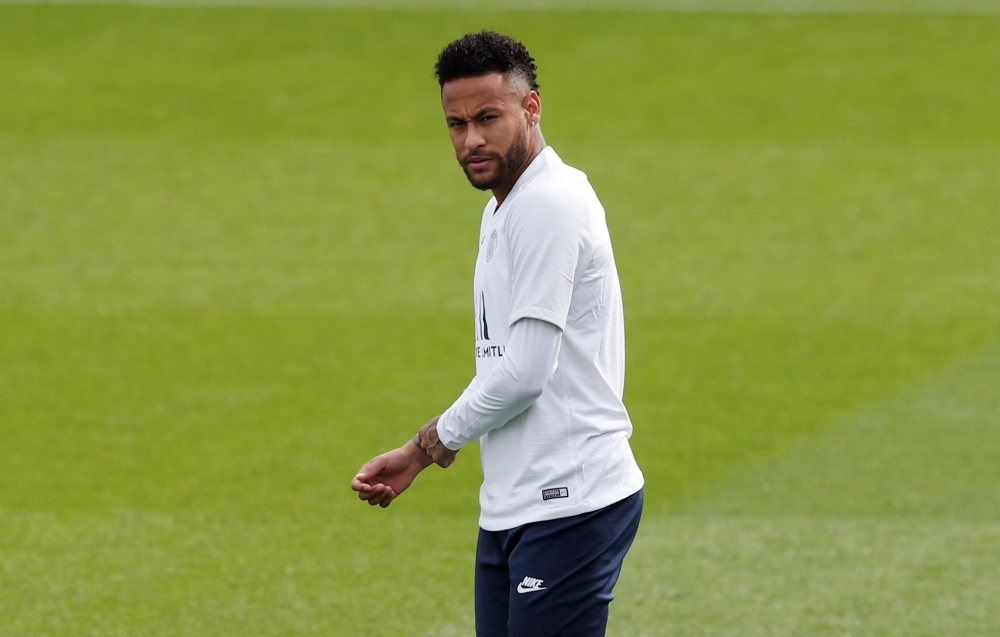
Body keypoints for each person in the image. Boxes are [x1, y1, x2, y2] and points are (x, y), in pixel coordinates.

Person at [350, 30, 644, 637]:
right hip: (516, 502)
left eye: (488, 118)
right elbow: (504, 360)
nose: (471, 140)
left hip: (571, 501)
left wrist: (427, 446)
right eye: (456, 124)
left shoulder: (549, 206)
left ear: (530, 108)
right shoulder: (503, 206)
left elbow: (526, 372)